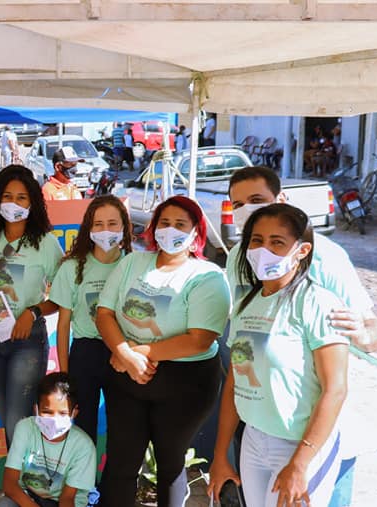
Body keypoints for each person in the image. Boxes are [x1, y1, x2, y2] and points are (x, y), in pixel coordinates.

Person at [209, 204, 349, 507]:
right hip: (254, 440)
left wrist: (300, 463)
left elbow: (335, 389)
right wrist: (220, 455)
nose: (264, 250)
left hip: (301, 446)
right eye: (257, 240)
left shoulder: (318, 304)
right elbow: (234, 383)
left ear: (302, 250)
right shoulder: (246, 304)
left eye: (277, 242)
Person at [95, 195, 231, 507]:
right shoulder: (132, 262)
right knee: (120, 462)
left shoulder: (207, 276)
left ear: (196, 232)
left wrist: (137, 353)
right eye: (164, 222)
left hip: (185, 382)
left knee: (170, 464)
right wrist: (125, 355)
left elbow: (199, 339)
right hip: (125, 373)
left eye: (180, 224)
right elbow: (104, 313)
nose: (171, 230)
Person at [226, 165, 377, 352]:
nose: (248, 210)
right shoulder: (236, 256)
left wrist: (365, 337)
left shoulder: (324, 255)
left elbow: (369, 323)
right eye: (238, 205)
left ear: (281, 200)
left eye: (256, 200)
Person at [0, 165, 64, 444]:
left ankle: (19, 473)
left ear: (32, 202)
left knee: (18, 419)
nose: (13, 204)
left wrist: (33, 313)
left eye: (21, 198)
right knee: (6, 414)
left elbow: (62, 297)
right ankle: (20, 470)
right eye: (7, 196)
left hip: (26, 339)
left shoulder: (45, 243)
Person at [50, 196, 132, 445]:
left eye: (112, 224)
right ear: (88, 228)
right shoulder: (72, 268)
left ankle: (117, 473)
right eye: (98, 224)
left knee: (123, 425)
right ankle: (85, 472)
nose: (105, 230)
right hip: (86, 353)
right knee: (84, 428)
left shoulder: (133, 265)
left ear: (124, 227)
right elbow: (63, 324)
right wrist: (65, 374)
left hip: (123, 351)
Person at [0, 372, 97, 507]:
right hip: (29, 497)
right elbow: (9, 485)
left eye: (63, 413)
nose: (54, 420)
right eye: (47, 412)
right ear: (36, 409)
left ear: (74, 413)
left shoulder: (84, 447)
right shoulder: (25, 428)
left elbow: (67, 498)